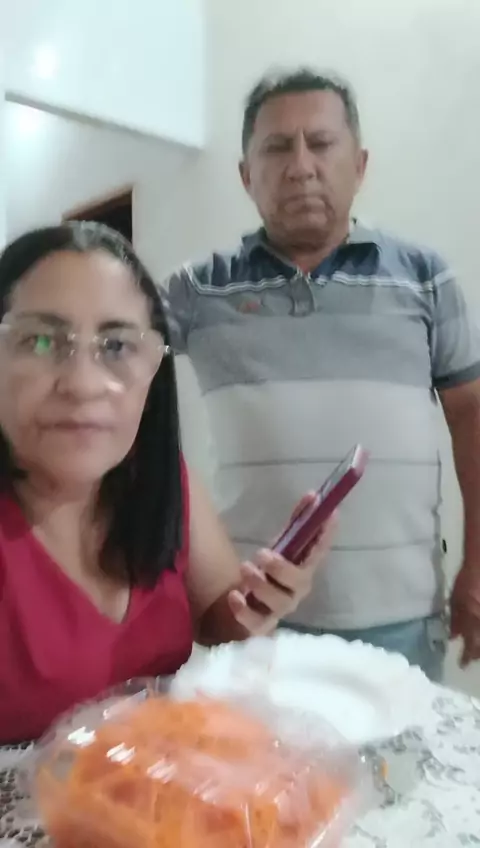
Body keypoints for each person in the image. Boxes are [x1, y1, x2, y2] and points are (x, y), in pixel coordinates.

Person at [163, 68, 480, 682]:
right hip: (254, 619)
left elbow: (472, 415)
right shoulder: (198, 288)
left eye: (322, 143)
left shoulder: (424, 276)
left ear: (359, 165)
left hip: (402, 623)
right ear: (246, 175)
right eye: (277, 148)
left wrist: (479, 565)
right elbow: (113, 358)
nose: (301, 166)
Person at [0, 221, 335, 745]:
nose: (83, 384)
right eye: (40, 340)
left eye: (116, 346)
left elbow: (218, 621)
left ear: (154, 367)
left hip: (146, 787)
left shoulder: (161, 478)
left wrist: (263, 600)